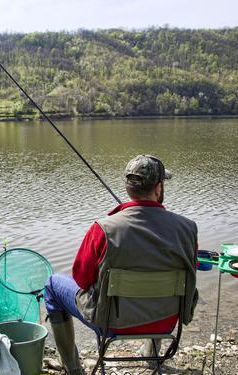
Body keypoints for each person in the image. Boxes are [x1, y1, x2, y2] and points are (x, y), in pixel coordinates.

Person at [43, 154, 199, 374]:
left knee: (52, 285)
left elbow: (81, 279)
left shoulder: (103, 229)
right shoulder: (188, 229)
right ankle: (152, 357)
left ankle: (73, 369)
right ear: (157, 189)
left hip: (112, 323)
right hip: (166, 321)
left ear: (128, 189)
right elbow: (191, 272)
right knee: (161, 282)